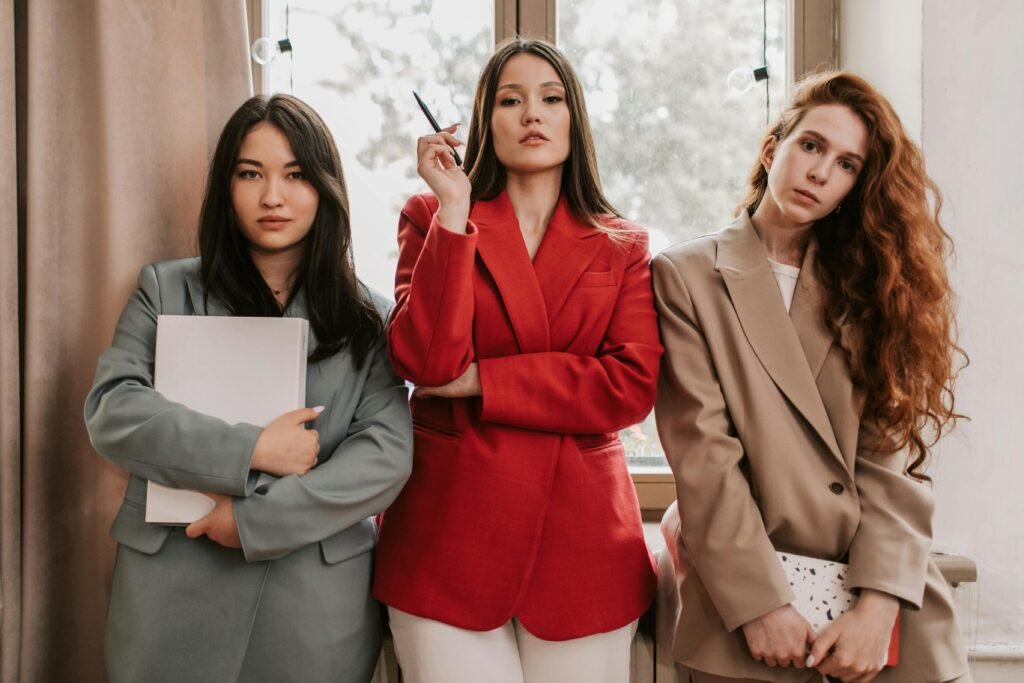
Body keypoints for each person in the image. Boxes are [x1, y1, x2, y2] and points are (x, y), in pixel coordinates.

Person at [653, 70, 971, 683]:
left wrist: (879, 606)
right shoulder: (686, 276)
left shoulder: (876, 284)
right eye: (812, 146)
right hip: (755, 594)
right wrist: (760, 605)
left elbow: (889, 458)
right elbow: (704, 458)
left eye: (848, 164)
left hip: (877, 587)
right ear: (774, 148)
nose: (822, 173)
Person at [84, 94, 413, 682]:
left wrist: (254, 521)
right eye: (250, 173)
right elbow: (114, 410)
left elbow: (385, 458)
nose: (272, 197)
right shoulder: (164, 289)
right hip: (171, 587)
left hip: (314, 598)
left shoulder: (371, 318)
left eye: (295, 175)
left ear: (325, 187)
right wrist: (251, 449)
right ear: (225, 185)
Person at [372, 38, 663, 682]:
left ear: (573, 118)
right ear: (485, 120)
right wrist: (453, 209)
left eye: (551, 98)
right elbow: (424, 360)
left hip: (582, 543)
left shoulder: (624, 244)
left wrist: (482, 380)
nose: (533, 113)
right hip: (447, 535)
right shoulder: (432, 216)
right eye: (511, 100)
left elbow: (629, 387)